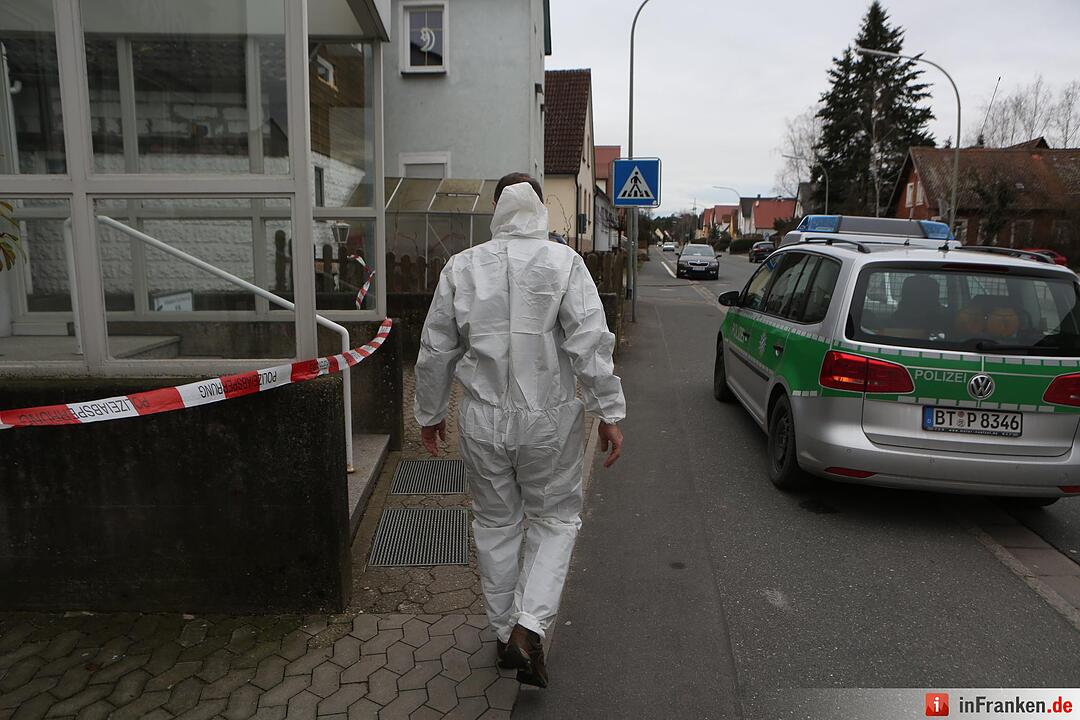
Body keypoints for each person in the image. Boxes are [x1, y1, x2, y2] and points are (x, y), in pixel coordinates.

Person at [413, 172, 626, 688]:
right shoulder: (564, 263)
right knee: (554, 521)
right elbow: (589, 341)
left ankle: (505, 629)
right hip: (548, 420)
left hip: (482, 419)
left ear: (496, 208)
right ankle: (528, 628)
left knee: (495, 526)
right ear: (541, 206)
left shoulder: (462, 267)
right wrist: (609, 412)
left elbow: (436, 348)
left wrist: (430, 413)